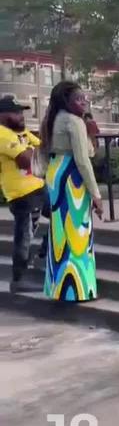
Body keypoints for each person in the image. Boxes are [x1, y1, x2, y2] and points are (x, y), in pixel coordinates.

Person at [40, 82, 101, 301]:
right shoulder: (74, 122)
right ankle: (77, 288)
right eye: (78, 98)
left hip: (56, 173)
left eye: (85, 98)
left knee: (60, 233)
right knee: (77, 231)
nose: (83, 102)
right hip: (72, 177)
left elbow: (44, 154)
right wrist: (96, 194)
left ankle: (59, 287)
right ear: (67, 101)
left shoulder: (52, 119)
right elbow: (84, 160)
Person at [0, 96, 45, 292]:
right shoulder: (2, 134)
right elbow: (25, 160)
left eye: (21, 112)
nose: (21, 116)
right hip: (21, 194)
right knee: (24, 235)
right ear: (3, 115)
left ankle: (43, 256)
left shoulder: (21, 132)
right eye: (16, 112)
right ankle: (19, 279)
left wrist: (32, 152)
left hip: (38, 187)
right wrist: (32, 153)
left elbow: (44, 148)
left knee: (65, 217)